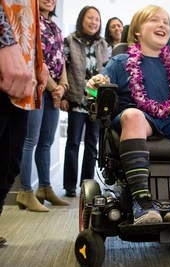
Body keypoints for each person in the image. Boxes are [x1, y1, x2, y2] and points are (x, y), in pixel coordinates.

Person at [88, 5, 170, 225]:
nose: (162, 25)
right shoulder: (120, 62)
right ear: (138, 30)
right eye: (155, 20)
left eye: (166, 22)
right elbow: (97, 88)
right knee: (133, 115)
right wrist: (93, 85)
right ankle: (142, 202)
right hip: (140, 119)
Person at [0, 0, 48, 244]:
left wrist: (40, 63)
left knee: (9, 162)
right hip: (5, 65)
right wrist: (4, 43)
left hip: (22, 81)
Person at [16, 0, 69, 212]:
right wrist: (53, 86)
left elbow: (61, 59)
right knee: (30, 140)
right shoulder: (31, 21)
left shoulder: (55, 27)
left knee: (46, 142)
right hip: (36, 86)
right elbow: (35, 56)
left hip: (54, 90)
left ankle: (45, 188)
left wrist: (63, 86)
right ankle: (25, 191)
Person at [61, 6, 110, 197]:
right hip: (75, 99)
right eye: (90, 18)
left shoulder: (104, 44)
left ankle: (86, 185)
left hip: (96, 103)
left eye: (97, 19)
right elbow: (63, 69)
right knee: (72, 143)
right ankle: (70, 185)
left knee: (92, 145)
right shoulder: (70, 41)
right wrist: (64, 96)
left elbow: (107, 73)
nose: (94, 22)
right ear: (82, 19)